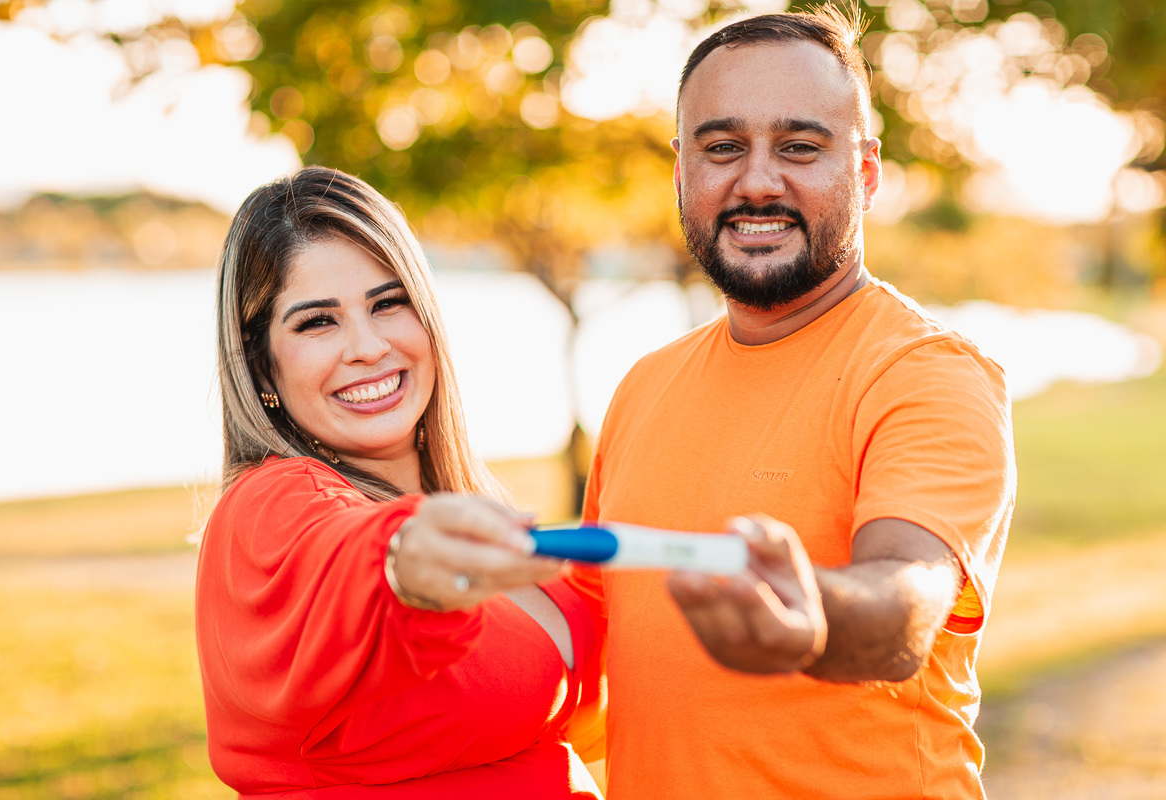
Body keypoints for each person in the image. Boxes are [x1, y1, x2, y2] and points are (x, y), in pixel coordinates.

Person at [569, 6, 1016, 799]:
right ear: (681, 172)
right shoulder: (643, 386)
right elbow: (587, 662)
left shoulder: (926, 372)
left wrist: (813, 621)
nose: (757, 182)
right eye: (722, 147)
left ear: (867, 173)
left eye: (799, 147)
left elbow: (907, 597)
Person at [195, 166, 604, 798]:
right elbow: (349, 565)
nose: (367, 346)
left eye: (389, 303)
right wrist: (403, 561)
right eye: (317, 322)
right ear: (261, 366)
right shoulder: (270, 504)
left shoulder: (470, 514)